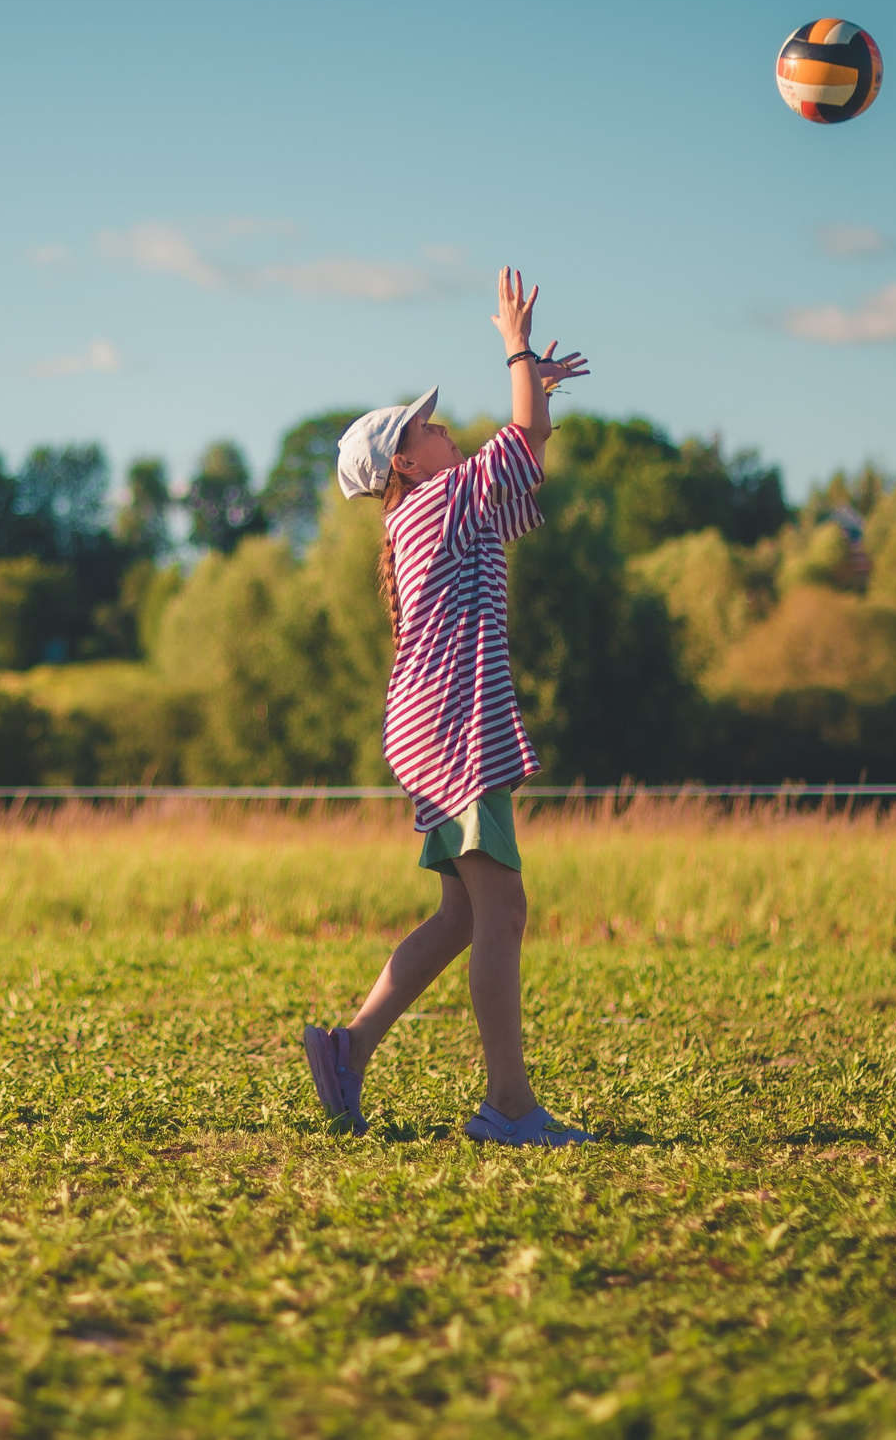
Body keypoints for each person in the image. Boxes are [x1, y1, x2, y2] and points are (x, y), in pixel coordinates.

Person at [301, 268, 594, 1147]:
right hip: (456, 727)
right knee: (502, 912)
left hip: (434, 726)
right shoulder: (438, 504)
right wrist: (514, 348)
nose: (442, 426)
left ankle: (349, 1048)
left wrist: (529, 388)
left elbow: (522, 450)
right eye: (427, 427)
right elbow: (527, 438)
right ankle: (508, 1105)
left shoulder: (435, 510)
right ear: (405, 463)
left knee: (466, 915)